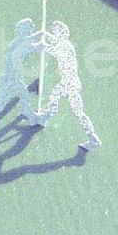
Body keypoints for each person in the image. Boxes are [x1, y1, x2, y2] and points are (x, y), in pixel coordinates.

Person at [31, 20, 101, 151]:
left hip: (69, 82)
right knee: (55, 98)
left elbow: (57, 52)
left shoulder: (65, 46)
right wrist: (45, 35)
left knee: (77, 111)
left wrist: (43, 46)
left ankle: (93, 138)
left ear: (62, 33)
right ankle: (44, 118)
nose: (54, 33)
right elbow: (55, 44)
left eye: (56, 32)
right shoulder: (64, 43)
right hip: (68, 81)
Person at [0, 18, 42, 144]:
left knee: (24, 95)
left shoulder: (19, 41)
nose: (31, 30)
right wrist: (41, 38)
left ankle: (30, 116)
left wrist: (40, 36)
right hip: (10, 80)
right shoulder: (19, 43)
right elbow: (30, 45)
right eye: (30, 28)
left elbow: (30, 43)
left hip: (14, 79)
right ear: (24, 30)